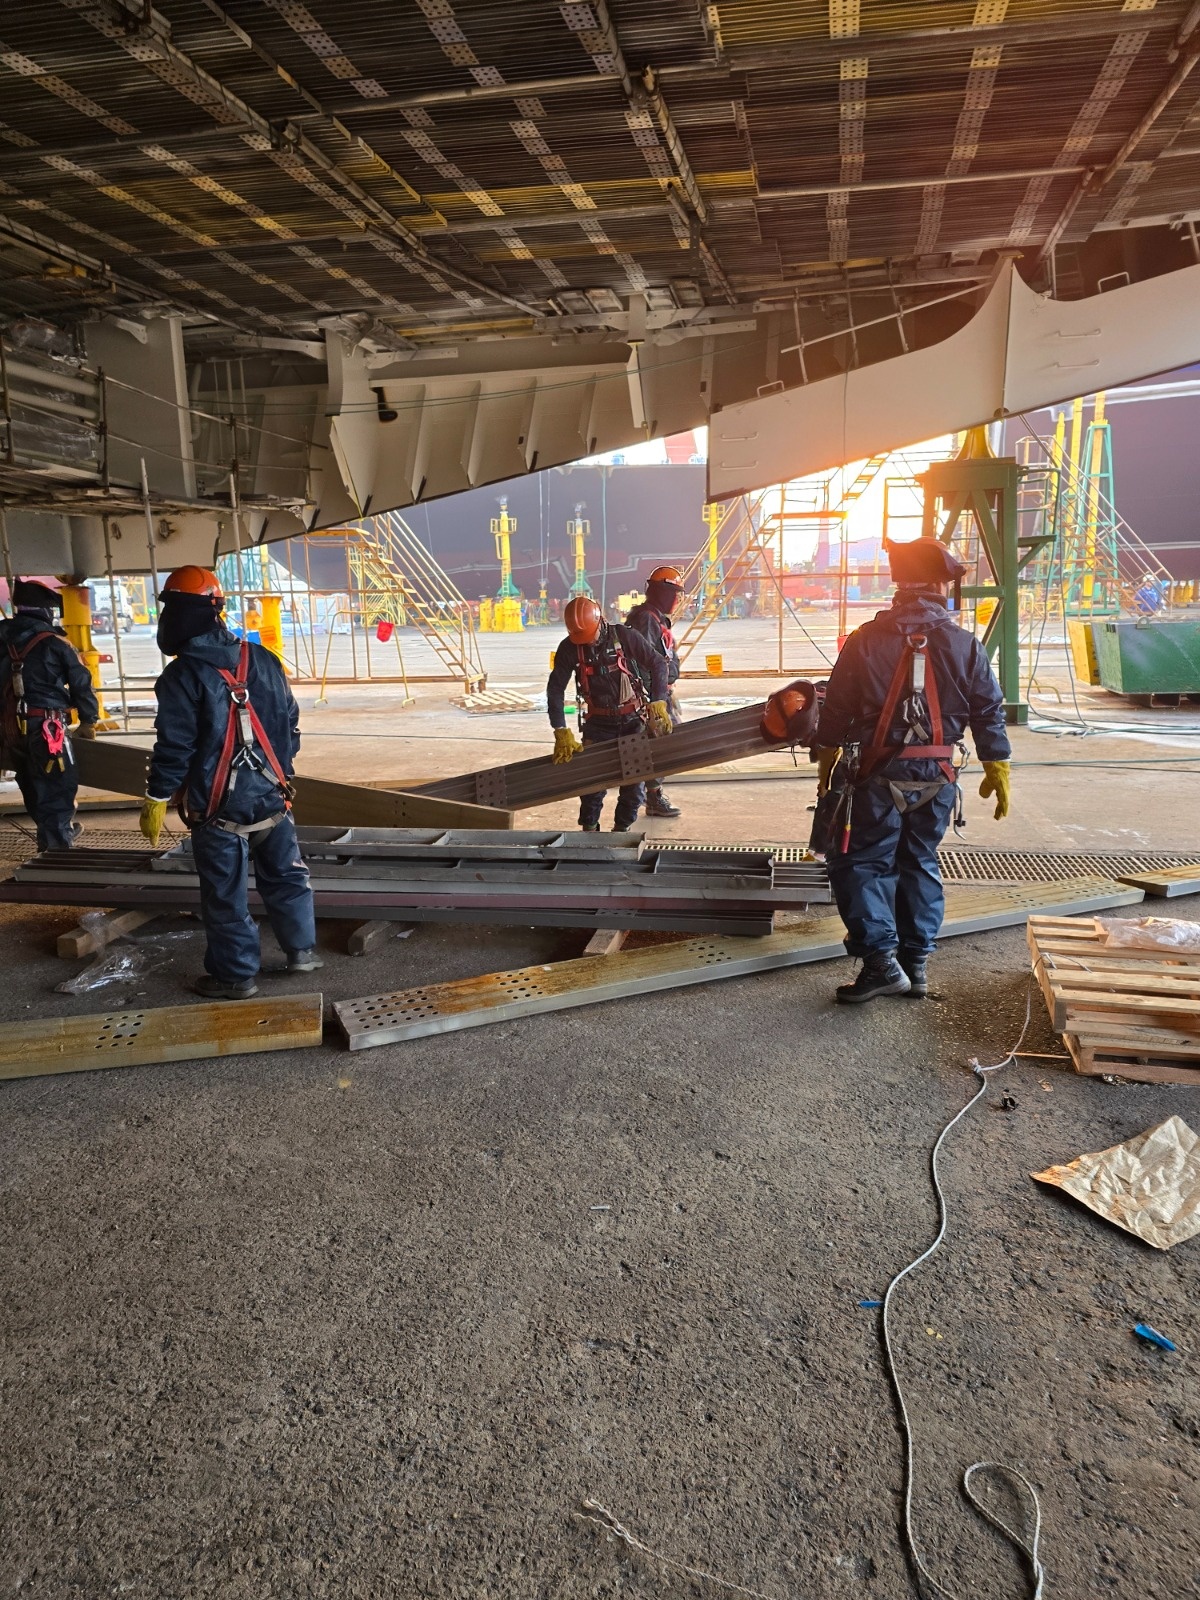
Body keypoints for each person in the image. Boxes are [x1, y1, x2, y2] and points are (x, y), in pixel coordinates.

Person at [812, 537, 1011, 1004]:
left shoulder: (864, 641)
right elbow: (988, 709)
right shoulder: (965, 645)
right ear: (941, 585)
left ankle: (882, 963)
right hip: (938, 778)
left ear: (898, 584)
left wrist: (827, 756)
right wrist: (995, 762)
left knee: (860, 861)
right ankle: (915, 964)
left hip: (876, 776)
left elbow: (836, 709)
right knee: (918, 860)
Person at [139, 566, 320, 1001]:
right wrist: (278, 774)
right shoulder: (262, 659)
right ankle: (302, 952)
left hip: (219, 808)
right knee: (287, 877)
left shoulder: (182, 677)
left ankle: (235, 977)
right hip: (275, 796)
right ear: (217, 611)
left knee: (225, 895)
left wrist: (157, 795)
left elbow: (175, 747)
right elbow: (290, 725)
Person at [546, 596, 672, 832]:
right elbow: (555, 689)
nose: (587, 643)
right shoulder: (570, 646)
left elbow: (658, 663)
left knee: (634, 786)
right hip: (598, 724)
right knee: (592, 786)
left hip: (632, 720)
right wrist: (560, 729)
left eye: (589, 637)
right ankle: (590, 831)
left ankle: (621, 832)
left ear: (600, 622)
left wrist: (658, 702)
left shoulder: (624, 637)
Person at [0, 578, 99, 851]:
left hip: (8, 729)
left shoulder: (2, 636)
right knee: (56, 786)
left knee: (30, 780)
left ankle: (54, 833)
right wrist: (88, 720)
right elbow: (81, 682)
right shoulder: (56, 643)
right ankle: (57, 851)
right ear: (46, 611)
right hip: (46, 728)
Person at [625, 564, 686, 818]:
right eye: (675, 593)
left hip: (662, 692)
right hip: (654, 695)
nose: (678, 599)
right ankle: (652, 796)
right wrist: (654, 699)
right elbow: (644, 662)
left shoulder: (654, 617)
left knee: (663, 743)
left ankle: (649, 793)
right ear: (664, 593)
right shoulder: (646, 620)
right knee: (662, 744)